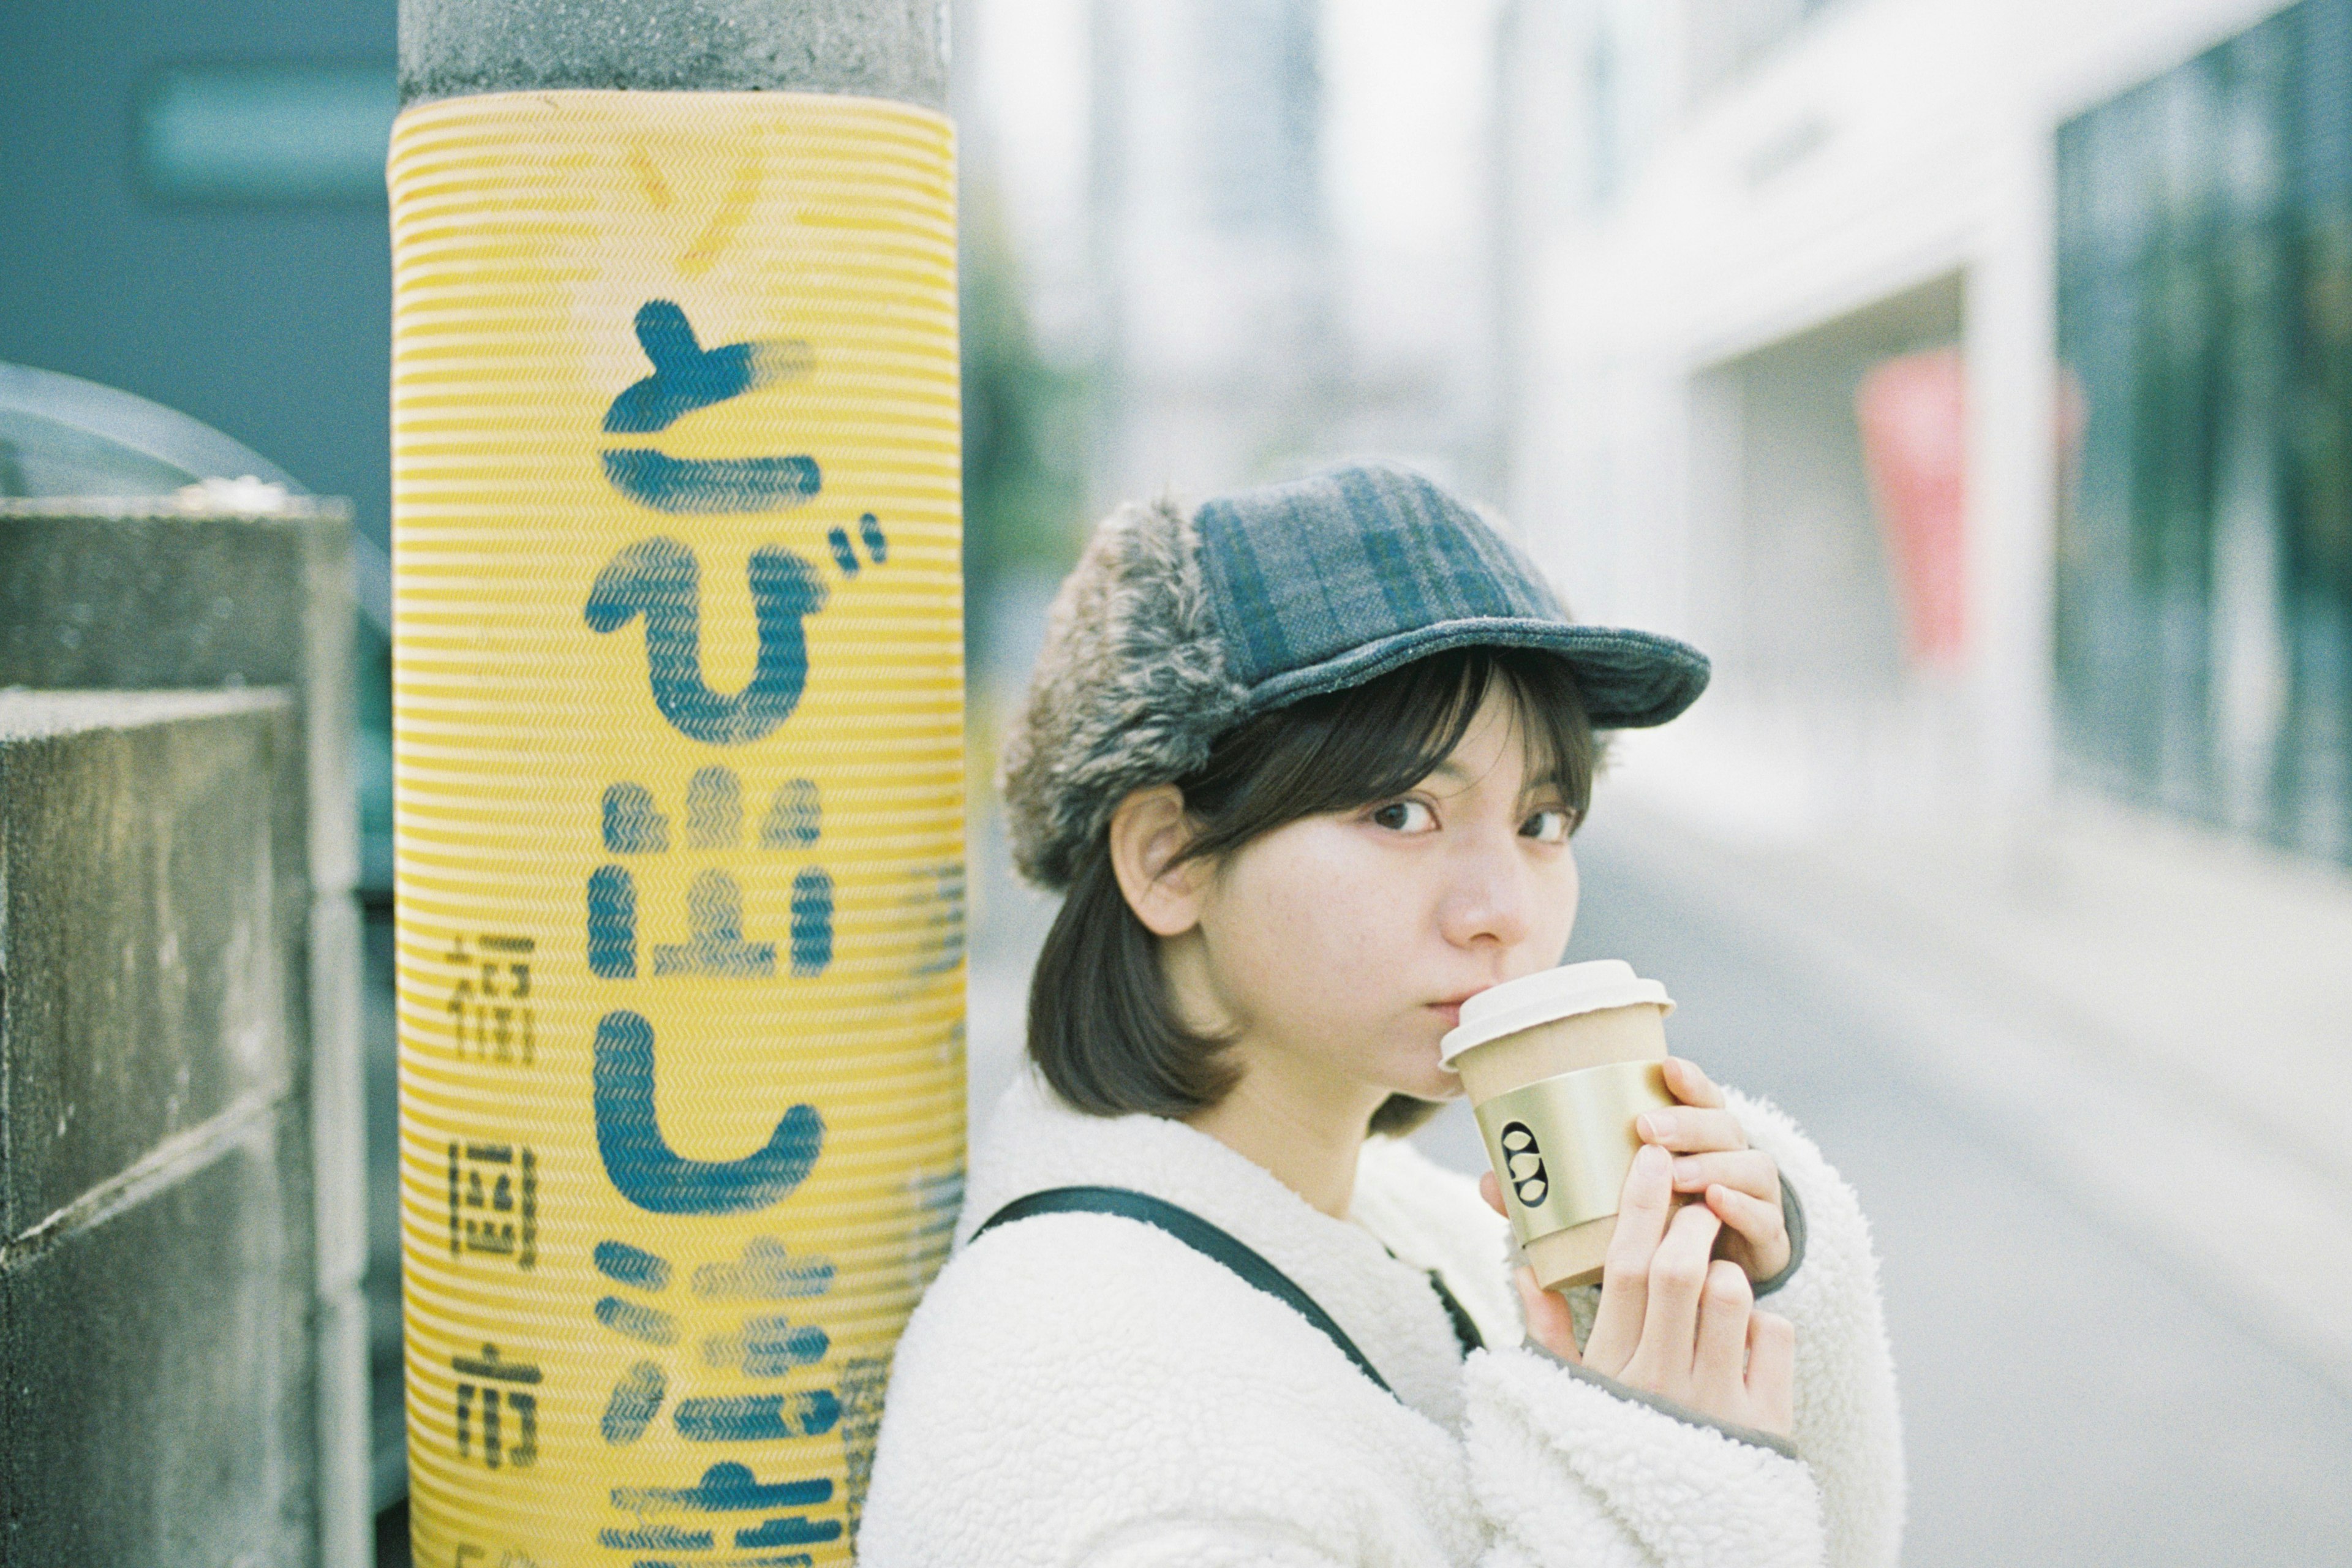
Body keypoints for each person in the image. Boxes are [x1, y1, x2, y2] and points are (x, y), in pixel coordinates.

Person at [858, 463, 1904, 1566]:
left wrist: (1738, 1303)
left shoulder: (1397, 1222)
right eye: (1401, 811)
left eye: (1544, 820)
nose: (1503, 909)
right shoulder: (1109, 1432)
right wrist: (1652, 1472)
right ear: (1168, 860)